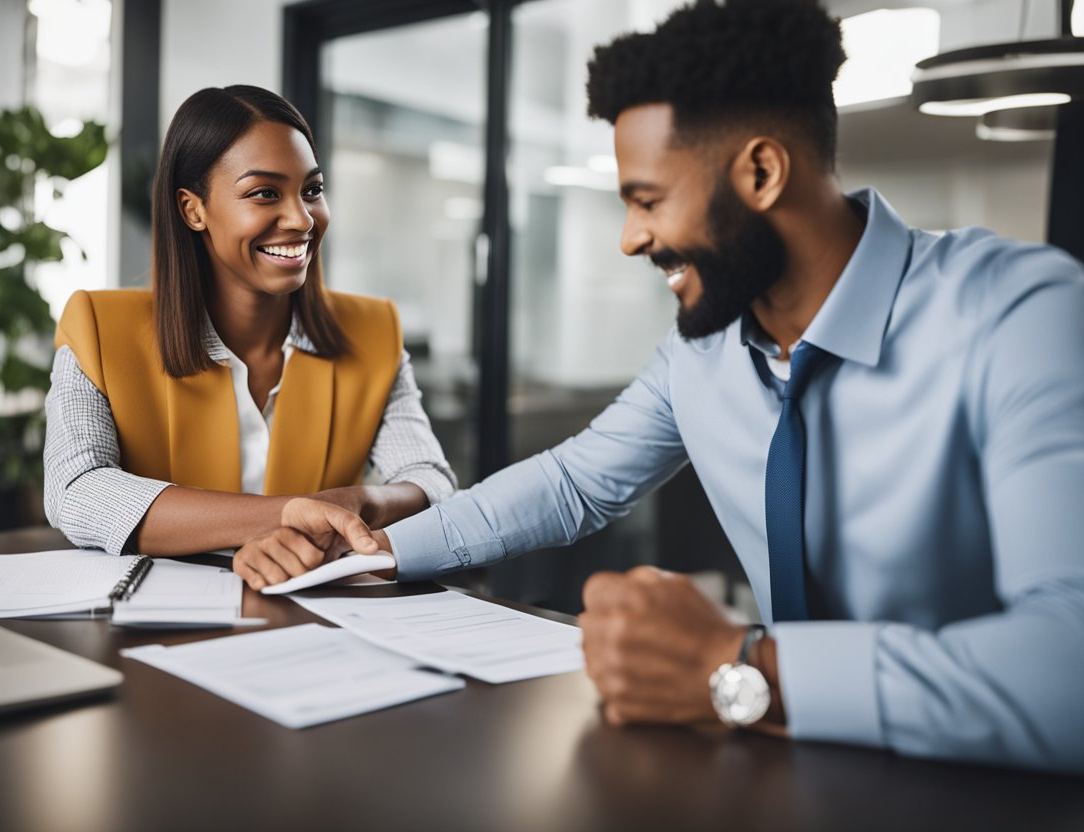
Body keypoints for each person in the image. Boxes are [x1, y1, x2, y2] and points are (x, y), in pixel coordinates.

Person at [249, 1, 1084, 774]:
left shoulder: (1018, 313)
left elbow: (1068, 668)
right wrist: (373, 551)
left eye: (647, 200)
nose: (629, 237)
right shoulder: (707, 347)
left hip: (987, 782)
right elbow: (575, 482)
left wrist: (736, 664)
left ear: (761, 174)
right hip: (784, 765)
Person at [44, 85, 456, 587]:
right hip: (154, 622)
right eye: (264, 193)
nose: (302, 219)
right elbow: (77, 491)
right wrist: (288, 514)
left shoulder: (373, 333)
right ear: (193, 209)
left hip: (315, 622)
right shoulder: (99, 327)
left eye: (311, 189)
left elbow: (431, 481)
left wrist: (360, 502)